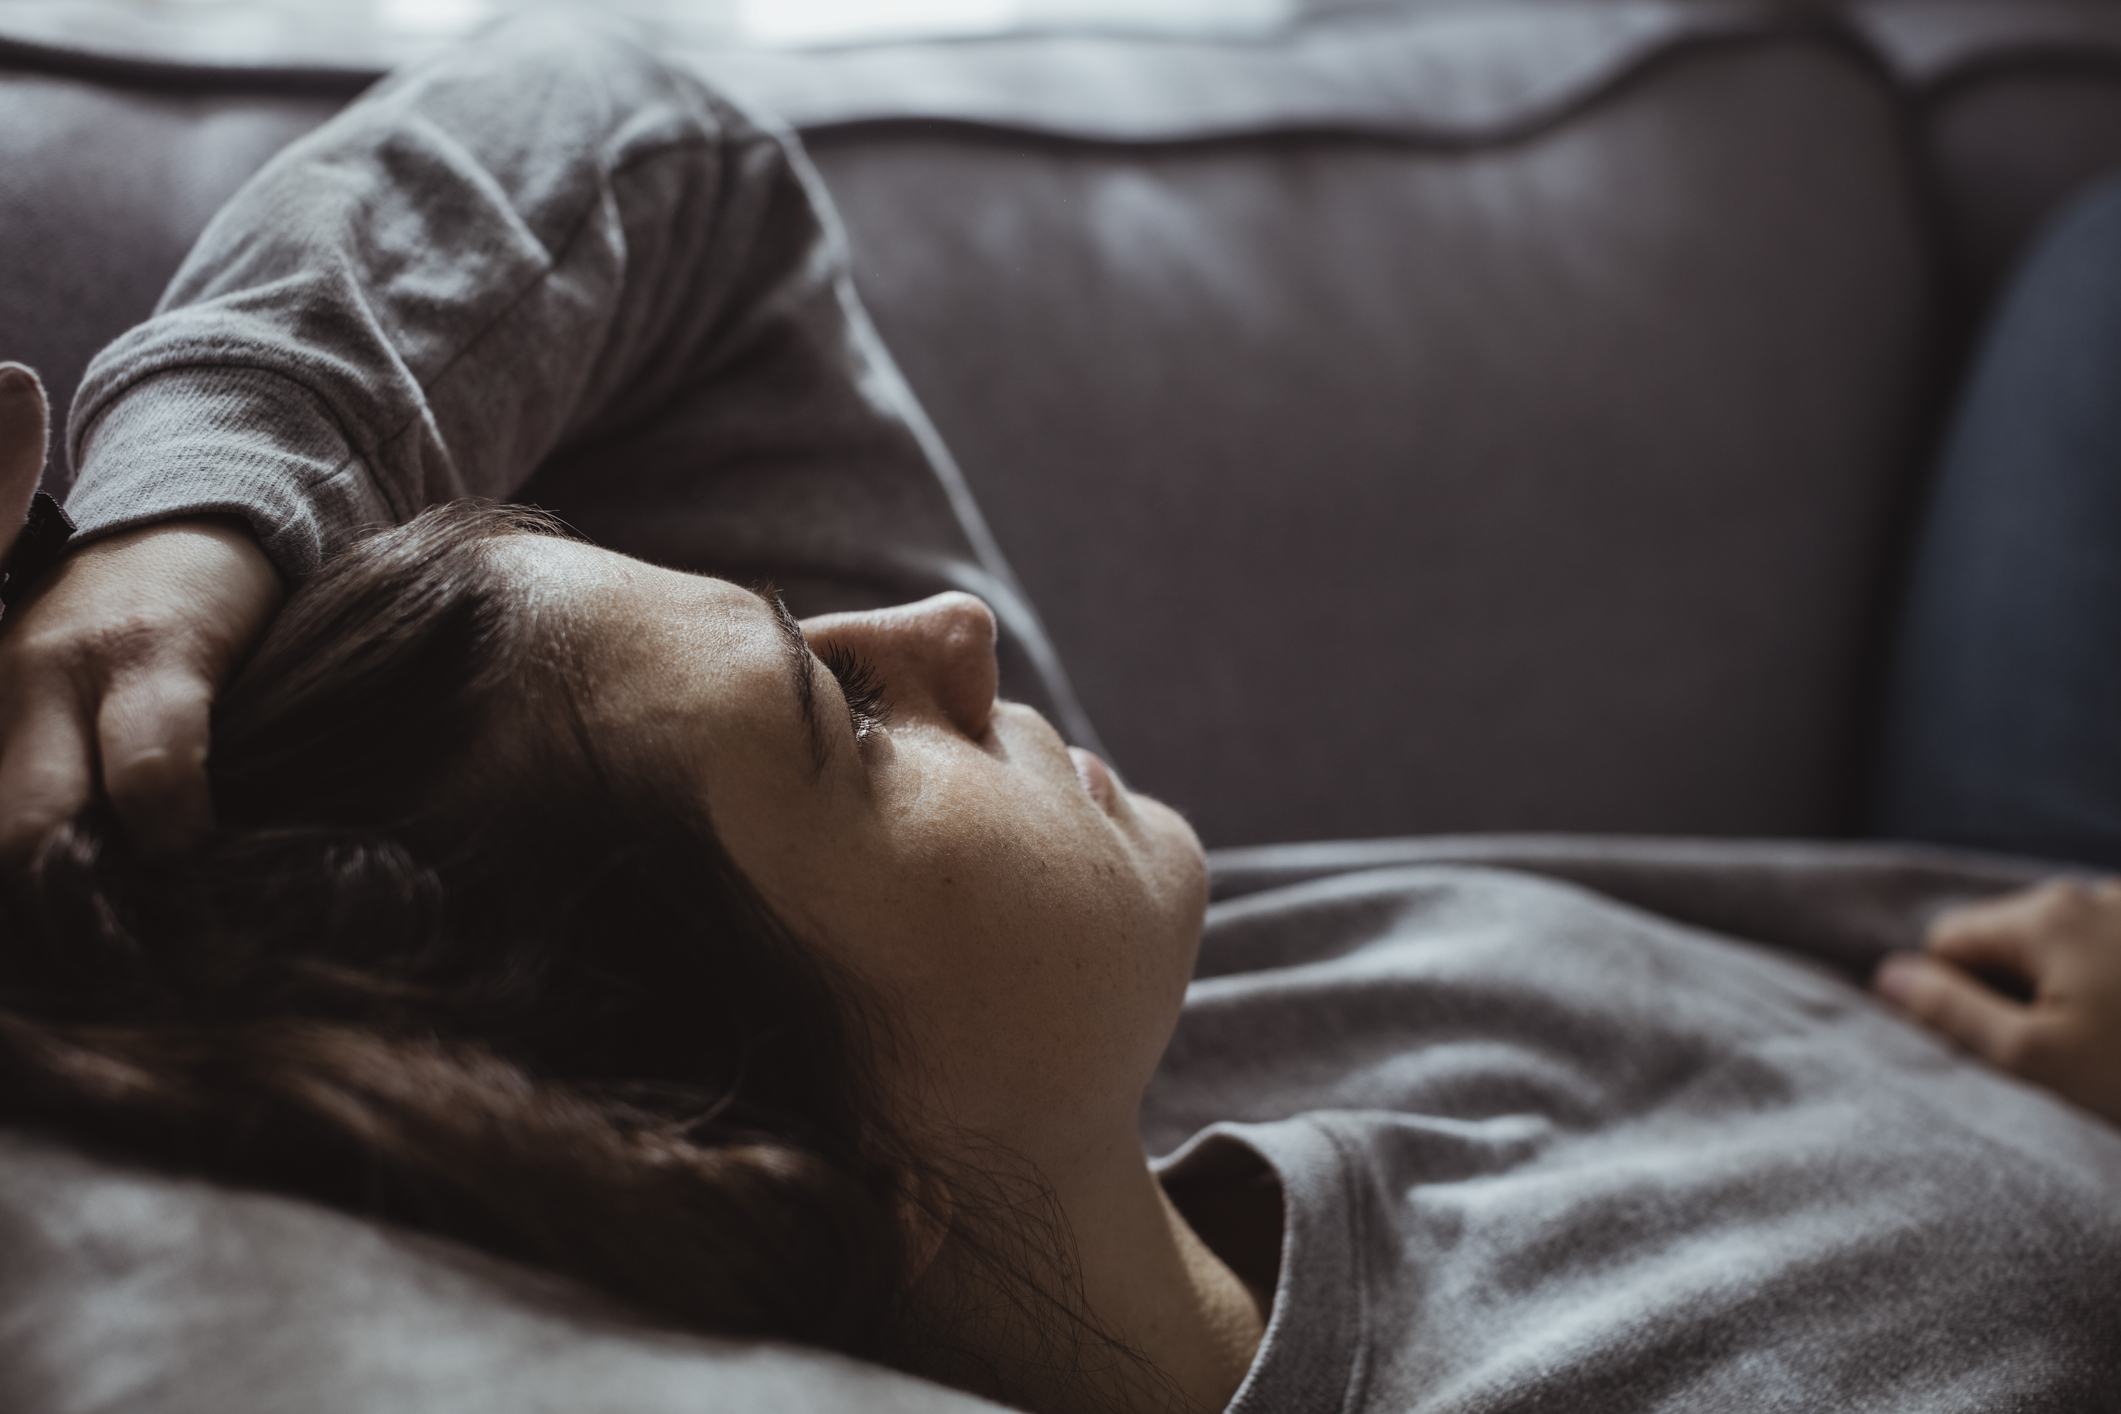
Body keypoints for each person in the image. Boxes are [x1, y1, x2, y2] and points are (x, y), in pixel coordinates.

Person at [0, 16, 2117, 1413]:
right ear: (746, 1143)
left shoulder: (1093, 1033)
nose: (930, 629)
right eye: (836, 730)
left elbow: (654, 144)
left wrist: (203, 514)